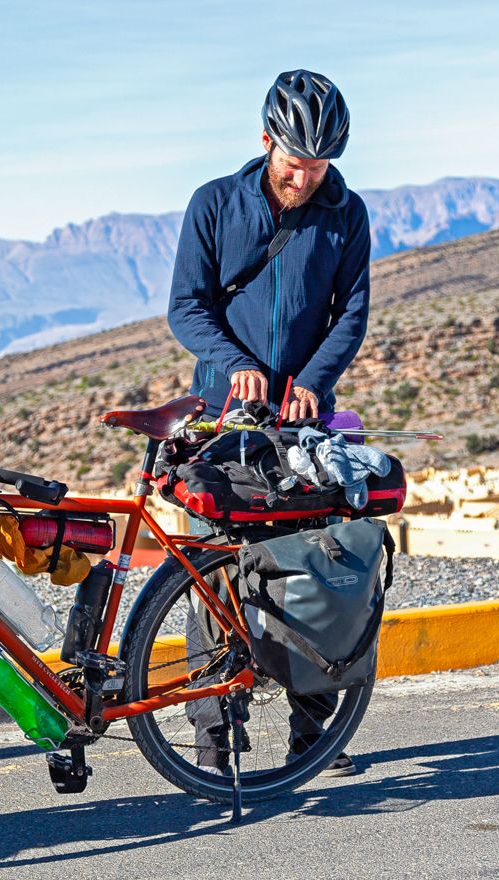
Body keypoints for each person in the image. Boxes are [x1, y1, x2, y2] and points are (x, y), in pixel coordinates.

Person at [166, 69, 372, 778]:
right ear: (266, 143)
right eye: (293, 166)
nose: (304, 181)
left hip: (305, 424)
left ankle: (315, 738)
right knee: (214, 580)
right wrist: (232, 363)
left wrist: (313, 384)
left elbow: (352, 314)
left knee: (315, 574)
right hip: (223, 420)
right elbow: (186, 308)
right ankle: (215, 741)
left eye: (318, 168)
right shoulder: (214, 204)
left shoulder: (346, 214)